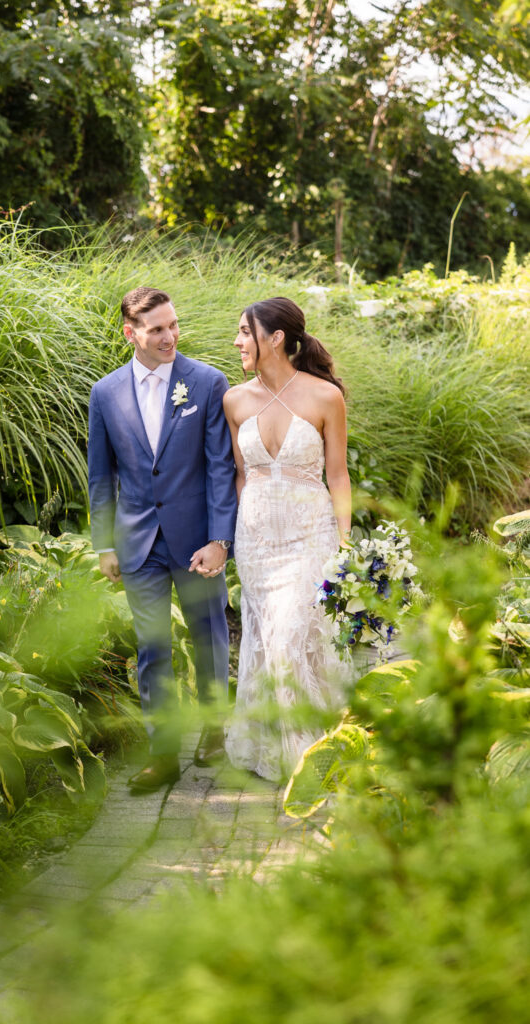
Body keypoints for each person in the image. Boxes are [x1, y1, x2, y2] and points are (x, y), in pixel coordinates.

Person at [88, 287, 237, 792]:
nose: (170, 336)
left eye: (173, 325)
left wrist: (221, 539)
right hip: (138, 543)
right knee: (152, 648)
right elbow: (101, 476)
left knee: (209, 637)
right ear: (131, 334)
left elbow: (221, 467)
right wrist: (104, 544)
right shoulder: (104, 393)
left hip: (196, 539)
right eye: (157, 329)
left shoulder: (207, 382)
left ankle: (216, 729)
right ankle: (163, 753)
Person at [222, 296, 352, 783]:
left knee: (287, 640)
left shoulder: (324, 397)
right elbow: (240, 475)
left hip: (309, 537)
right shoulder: (235, 399)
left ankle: (308, 754)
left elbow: (337, 476)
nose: (237, 342)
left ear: (275, 338)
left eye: (243, 332)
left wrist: (344, 546)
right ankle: (274, 744)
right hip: (257, 542)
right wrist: (240, 531)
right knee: (265, 637)